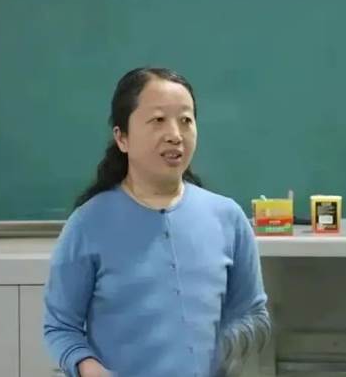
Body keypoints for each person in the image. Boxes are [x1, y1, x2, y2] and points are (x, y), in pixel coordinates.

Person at [43, 67, 270, 377]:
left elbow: (253, 313)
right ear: (122, 138)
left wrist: (215, 348)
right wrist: (88, 368)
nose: (175, 135)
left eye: (186, 120)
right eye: (158, 120)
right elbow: (60, 327)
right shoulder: (87, 224)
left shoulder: (228, 218)